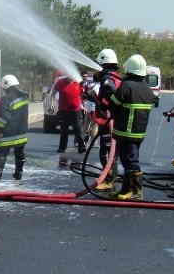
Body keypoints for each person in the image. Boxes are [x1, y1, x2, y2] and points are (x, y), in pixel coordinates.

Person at [109, 54, 156, 200]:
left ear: (129, 69)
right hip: (139, 133)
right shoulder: (148, 89)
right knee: (129, 160)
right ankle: (126, 189)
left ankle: (135, 191)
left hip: (126, 132)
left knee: (129, 161)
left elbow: (113, 104)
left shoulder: (126, 86)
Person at [91, 48, 123, 192]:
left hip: (109, 121)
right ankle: (109, 177)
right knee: (111, 151)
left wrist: (92, 98)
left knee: (107, 151)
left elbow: (107, 103)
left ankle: (109, 180)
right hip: (113, 121)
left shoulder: (108, 81)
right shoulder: (115, 77)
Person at [0, 74, 29, 181]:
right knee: (20, 154)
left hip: (8, 134)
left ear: (5, 87)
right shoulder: (25, 98)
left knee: (2, 154)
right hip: (22, 133)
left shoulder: (5, 99)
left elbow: (4, 118)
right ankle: (19, 173)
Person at [52, 74, 86, 162]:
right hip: (63, 111)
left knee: (78, 129)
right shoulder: (60, 82)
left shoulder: (78, 83)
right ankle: (62, 148)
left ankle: (81, 147)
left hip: (76, 111)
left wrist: (84, 106)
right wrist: (53, 103)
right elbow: (54, 92)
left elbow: (84, 95)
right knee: (64, 130)